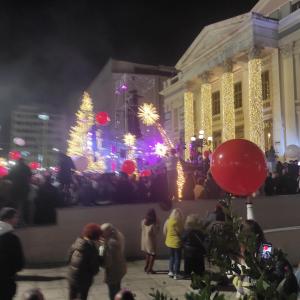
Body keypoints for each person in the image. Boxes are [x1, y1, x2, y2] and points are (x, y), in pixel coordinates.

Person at [68, 223, 102, 300]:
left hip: (72, 276)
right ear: (95, 236)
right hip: (84, 280)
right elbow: (95, 269)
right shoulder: (91, 248)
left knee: (72, 297)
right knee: (83, 297)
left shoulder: (77, 242)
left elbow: (69, 258)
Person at [0, 207, 25, 300]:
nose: (17, 220)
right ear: (7, 219)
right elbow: (19, 264)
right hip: (6, 283)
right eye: (15, 217)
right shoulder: (12, 239)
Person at [100, 223, 127, 300]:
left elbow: (105, 260)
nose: (100, 234)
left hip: (113, 271)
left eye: (102, 232)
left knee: (112, 292)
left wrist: (101, 246)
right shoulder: (118, 236)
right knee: (117, 288)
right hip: (120, 268)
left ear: (107, 232)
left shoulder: (109, 243)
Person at [163, 208, 184, 279]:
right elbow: (180, 232)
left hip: (169, 241)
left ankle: (170, 271)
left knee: (171, 257)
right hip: (176, 242)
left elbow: (164, 231)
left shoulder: (168, 221)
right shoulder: (178, 222)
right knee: (177, 258)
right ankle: (176, 274)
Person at [141, 209, 160, 274]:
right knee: (153, 254)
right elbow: (155, 232)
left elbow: (141, 229)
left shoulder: (143, 221)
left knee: (148, 253)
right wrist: (158, 225)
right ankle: (150, 268)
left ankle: (146, 267)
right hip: (151, 241)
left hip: (144, 240)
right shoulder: (153, 224)